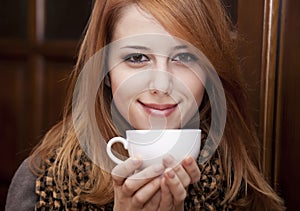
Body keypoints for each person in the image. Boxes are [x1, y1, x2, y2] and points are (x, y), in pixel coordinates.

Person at [6, 0, 285, 210]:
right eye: (137, 57)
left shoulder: (242, 184)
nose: (161, 86)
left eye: (184, 57)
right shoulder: (40, 181)